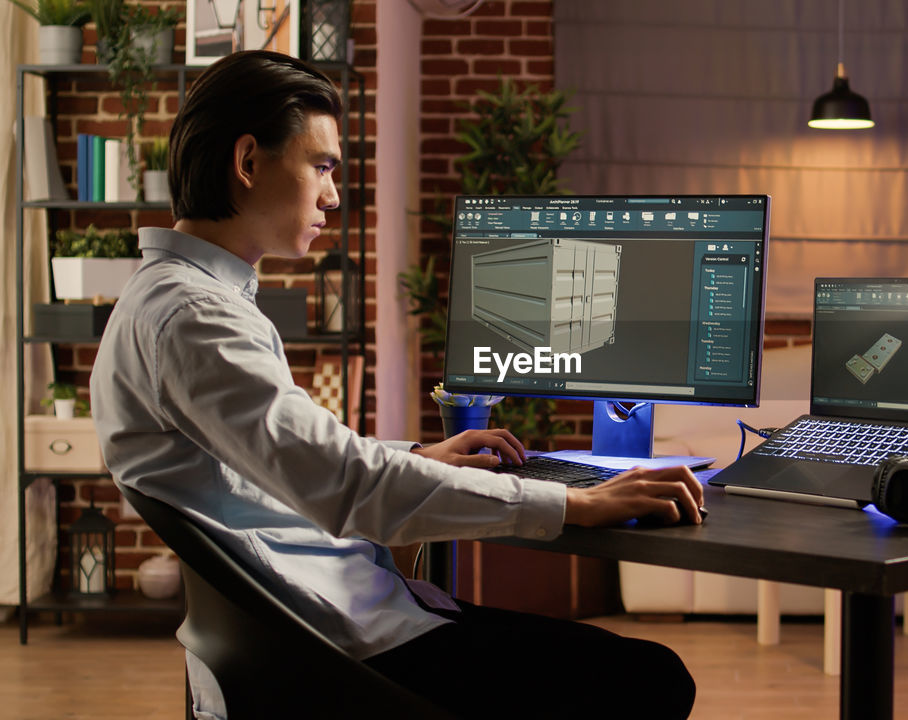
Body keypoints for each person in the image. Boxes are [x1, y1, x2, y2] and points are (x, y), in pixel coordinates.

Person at [89, 50, 702, 720]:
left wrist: (409, 461)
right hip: (334, 648)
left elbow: (283, 464)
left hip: (322, 622)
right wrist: (571, 503)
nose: (332, 193)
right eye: (320, 166)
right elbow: (346, 484)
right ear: (247, 162)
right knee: (651, 678)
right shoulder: (195, 317)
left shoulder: (174, 299)